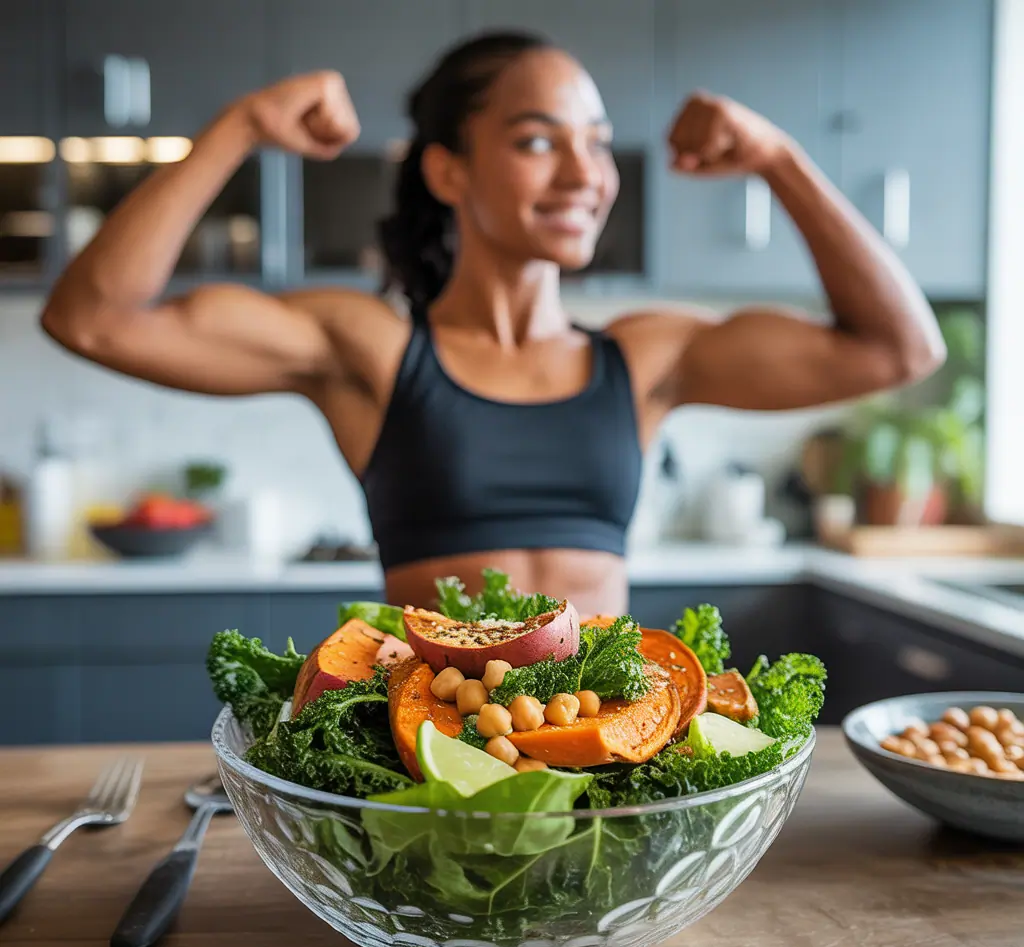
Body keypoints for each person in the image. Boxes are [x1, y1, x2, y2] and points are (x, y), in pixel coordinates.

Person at [41, 32, 945, 618]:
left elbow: (898, 348)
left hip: (606, 755)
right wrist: (237, 128)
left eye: (595, 142)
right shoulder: (372, 352)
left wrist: (780, 159)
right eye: (538, 141)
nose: (583, 172)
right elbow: (94, 319)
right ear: (449, 173)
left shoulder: (648, 357)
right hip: (433, 758)